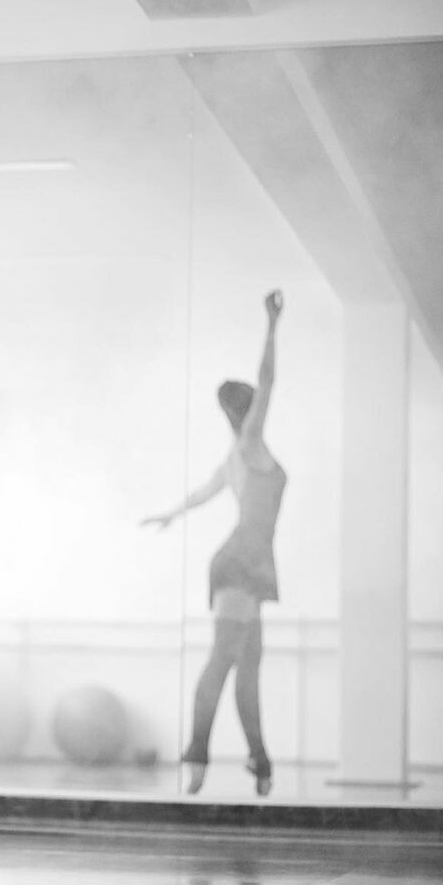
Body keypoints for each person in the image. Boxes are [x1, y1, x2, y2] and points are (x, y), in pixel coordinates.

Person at [142, 291, 286, 797]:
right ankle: (198, 756)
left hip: (252, 563)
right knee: (224, 661)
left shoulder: (235, 457)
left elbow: (203, 493)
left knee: (248, 669)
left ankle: (259, 761)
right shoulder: (249, 444)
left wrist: (170, 514)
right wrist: (271, 324)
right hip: (241, 561)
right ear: (250, 412)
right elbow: (268, 380)